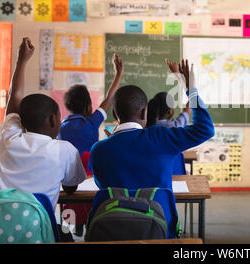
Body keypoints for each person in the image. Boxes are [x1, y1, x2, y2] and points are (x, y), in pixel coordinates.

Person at [89, 58, 214, 192]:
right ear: (144, 113)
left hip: (113, 213)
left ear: (114, 114)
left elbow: (102, 185)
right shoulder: (160, 137)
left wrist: (112, 140)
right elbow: (205, 129)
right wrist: (190, 90)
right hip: (158, 212)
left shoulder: (98, 150)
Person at [0, 38, 86, 209]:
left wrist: (21, 60)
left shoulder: (9, 138)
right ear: (52, 120)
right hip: (40, 232)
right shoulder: (64, 150)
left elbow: (14, 100)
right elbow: (70, 186)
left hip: (0, 228)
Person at [56, 53, 123, 236]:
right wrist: (118, 74)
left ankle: (71, 230)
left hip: (68, 182)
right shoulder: (92, 121)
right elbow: (109, 98)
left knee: (69, 214)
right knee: (90, 211)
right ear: (88, 106)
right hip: (92, 180)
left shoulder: (60, 127)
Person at [146, 92, 192, 175]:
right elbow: (188, 110)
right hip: (172, 175)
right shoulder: (174, 128)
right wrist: (192, 92)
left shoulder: (143, 127)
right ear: (170, 111)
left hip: (150, 174)